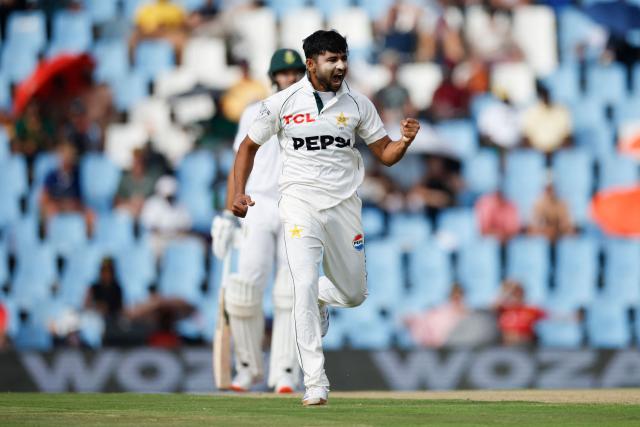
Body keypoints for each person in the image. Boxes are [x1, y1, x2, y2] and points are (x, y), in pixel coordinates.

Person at [231, 30, 420, 406]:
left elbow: (384, 153)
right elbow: (247, 147)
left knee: (353, 294)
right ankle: (315, 383)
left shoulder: (359, 104)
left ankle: (321, 297)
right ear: (311, 63)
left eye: (344, 58)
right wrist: (238, 192)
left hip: (344, 207)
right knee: (299, 283)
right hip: (299, 204)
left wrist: (405, 142)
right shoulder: (282, 103)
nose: (341, 66)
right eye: (332, 59)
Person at [211, 48, 306, 394]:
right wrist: (226, 213)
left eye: (297, 73)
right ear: (273, 77)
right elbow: (239, 162)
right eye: (285, 73)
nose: (291, 79)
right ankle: (248, 368)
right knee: (246, 288)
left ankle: (284, 372)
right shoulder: (254, 111)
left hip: (297, 204)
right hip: (259, 203)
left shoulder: (314, 113)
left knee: (291, 289)